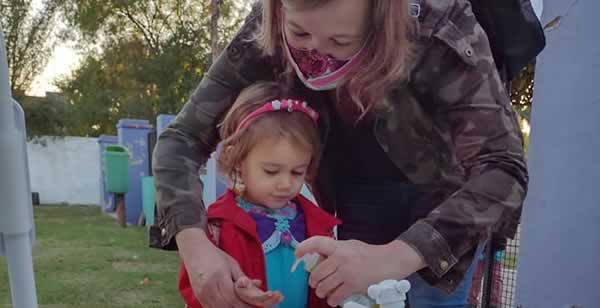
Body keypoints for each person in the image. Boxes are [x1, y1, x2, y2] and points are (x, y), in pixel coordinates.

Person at [151, 0, 528, 307]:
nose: (316, 53)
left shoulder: (439, 28)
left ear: (384, 18)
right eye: (299, 32)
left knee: (428, 300)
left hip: (445, 203)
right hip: (355, 194)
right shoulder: (264, 28)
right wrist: (196, 246)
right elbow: (181, 138)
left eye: (341, 41)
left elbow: (503, 168)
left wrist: (393, 257)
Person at [177, 82, 339, 308]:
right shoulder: (216, 227)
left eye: (297, 171)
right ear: (238, 159)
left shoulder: (318, 225)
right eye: (271, 171)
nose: (286, 184)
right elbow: (197, 288)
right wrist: (230, 291)